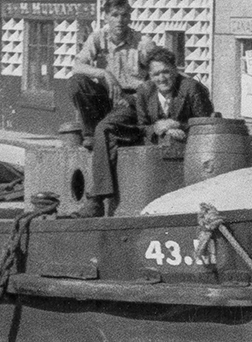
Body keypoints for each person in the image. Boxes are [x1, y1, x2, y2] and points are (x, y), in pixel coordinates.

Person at [77, 48, 212, 216]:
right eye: (156, 74)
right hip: (157, 142)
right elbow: (142, 126)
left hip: (189, 149)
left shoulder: (191, 88)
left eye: (166, 72)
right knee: (105, 130)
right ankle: (98, 198)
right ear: (150, 75)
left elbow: (206, 123)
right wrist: (158, 128)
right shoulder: (144, 91)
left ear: (175, 70)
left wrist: (179, 125)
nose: (162, 78)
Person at [67, 0, 156, 138]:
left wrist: (135, 97)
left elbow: (156, 75)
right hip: (106, 96)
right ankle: (91, 134)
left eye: (124, 15)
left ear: (129, 17)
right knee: (77, 81)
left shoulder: (143, 42)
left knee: (109, 126)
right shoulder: (98, 38)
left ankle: (103, 133)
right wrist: (104, 73)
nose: (120, 20)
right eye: (115, 15)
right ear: (106, 17)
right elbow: (77, 67)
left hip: (131, 99)